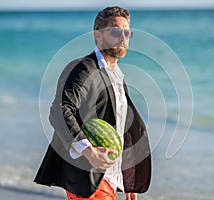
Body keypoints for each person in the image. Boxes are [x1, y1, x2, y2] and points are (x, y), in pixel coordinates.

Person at [34, 6, 151, 200]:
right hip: (88, 175)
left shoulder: (117, 76)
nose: (123, 37)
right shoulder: (83, 69)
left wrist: (126, 177)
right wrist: (89, 152)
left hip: (110, 177)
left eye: (127, 32)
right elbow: (60, 111)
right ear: (98, 36)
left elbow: (119, 126)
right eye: (115, 31)